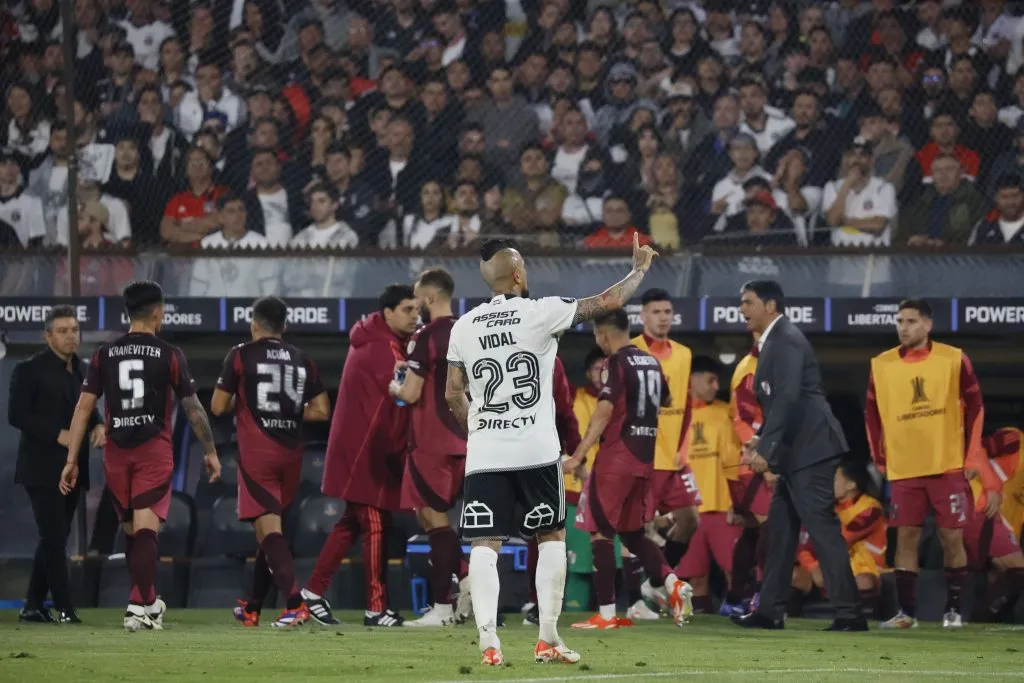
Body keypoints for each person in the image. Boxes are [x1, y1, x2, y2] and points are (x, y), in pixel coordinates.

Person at [444, 234, 657, 666]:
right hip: (536, 452)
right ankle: (547, 639)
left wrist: (479, 431)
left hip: (486, 453)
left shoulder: (463, 326)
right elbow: (606, 301)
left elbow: (453, 393)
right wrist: (639, 270)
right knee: (551, 537)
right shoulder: (540, 312)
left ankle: (488, 643)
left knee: (485, 544)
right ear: (519, 274)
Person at [59, 281, 221, 632]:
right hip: (152, 451)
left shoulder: (104, 354)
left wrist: (72, 458)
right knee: (146, 533)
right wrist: (209, 451)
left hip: (116, 455)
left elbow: (83, 409)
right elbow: (193, 408)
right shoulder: (170, 354)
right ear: (158, 314)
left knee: (134, 534)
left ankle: (148, 602)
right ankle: (137, 606)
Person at [730, 280, 865, 632]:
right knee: (780, 532)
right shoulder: (773, 341)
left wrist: (766, 449)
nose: (742, 309)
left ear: (770, 305)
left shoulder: (785, 339)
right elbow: (780, 404)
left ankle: (850, 614)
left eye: (748, 302)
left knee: (822, 531)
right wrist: (761, 441)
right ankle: (770, 611)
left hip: (812, 449)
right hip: (796, 452)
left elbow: (789, 398)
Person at [867, 298, 1003, 630]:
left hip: (947, 466)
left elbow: (977, 407)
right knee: (906, 539)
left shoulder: (953, 359)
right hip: (904, 469)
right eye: (899, 321)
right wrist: (880, 457)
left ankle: (953, 610)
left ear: (928, 325)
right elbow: (871, 414)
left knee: (951, 539)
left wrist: (971, 456)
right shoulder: (881, 364)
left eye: (911, 321)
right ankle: (906, 614)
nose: (903, 327)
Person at [301, 284, 419, 627]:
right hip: (365, 453)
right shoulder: (384, 350)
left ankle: (313, 592)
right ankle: (376, 607)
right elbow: (401, 404)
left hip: (358, 449)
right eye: (408, 310)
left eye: (417, 310)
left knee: (350, 524)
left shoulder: (379, 340)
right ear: (388, 313)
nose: (415, 316)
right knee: (376, 525)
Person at [569, 310, 693, 630]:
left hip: (616, 459)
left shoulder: (615, 363)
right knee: (633, 533)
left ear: (603, 335)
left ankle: (607, 614)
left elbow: (605, 410)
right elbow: (665, 398)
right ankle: (672, 583)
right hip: (644, 459)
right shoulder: (651, 361)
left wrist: (579, 456)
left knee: (599, 532)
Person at [211, 296, 331, 628]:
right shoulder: (301, 359)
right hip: (292, 454)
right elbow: (322, 410)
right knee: (268, 531)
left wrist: (246, 404)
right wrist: (290, 412)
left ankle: (295, 603)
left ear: (254, 324)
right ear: (285, 327)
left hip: (258, 452)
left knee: (269, 531)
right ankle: (252, 607)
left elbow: (218, 407)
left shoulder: (240, 355)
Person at [8, 305, 104, 624]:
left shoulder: (83, 370)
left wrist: (99, 425)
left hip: (76, 467)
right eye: (63, 331)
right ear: (47, 335)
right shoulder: (28, 370)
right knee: (53, 537)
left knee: (55, 537)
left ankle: (33, 605)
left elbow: (87, 408)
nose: (70, 337)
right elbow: (16, 415)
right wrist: (59, 435)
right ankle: (64, 607)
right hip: (41, 467)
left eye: (75, 330)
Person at [389, 268, 468, 627]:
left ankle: (442, 609)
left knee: (435, 523)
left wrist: (395, 384)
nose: (416, 305)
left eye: (418, 298)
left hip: (432, 441)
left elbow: (411, 393)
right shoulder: (471, 332)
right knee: (428, 516)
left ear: (431, 298)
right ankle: (465, 581)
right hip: (468, 440)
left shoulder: (428, 335)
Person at [631, 289, 700, 569]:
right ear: (643, 315)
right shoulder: (632, 350)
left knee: (689, 520)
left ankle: (659, 584)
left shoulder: (684, 354)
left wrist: (682, 450)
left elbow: (686, 407)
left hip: (673, 460)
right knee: (636, 529)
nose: (663, 318)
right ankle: (634, 596)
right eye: (656, 312)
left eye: (667, 312)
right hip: (643, 457)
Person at [675, 356, 743, 615]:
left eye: (717, 381)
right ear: (692, 380)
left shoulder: (725, 413)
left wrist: (738, 502)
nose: (716, 386)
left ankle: (741, 612)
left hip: (720, 504)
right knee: (695, 576)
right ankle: (698, 622)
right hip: (687, 507)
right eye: (710, 380)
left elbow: (734, 461)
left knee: (733, 569)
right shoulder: (674, 415)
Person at [791, 459, 887, 618]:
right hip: (825, 572)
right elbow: (804, 544)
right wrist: (813, 567)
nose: (827, 484)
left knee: (863, 581)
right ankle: (788, 622)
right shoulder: (826, 507)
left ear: (851, 484)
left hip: (862, 571)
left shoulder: (871, 509)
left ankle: (858, 619)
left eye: (833, 479)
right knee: (794, 576)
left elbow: (838, 539)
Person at [725, 334, 773, 616]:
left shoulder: (767, 365)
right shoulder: (751, 369)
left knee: (753, 531)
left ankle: (734, 597)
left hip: (757, 457)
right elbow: (743, 419)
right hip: (756, 459)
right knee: (769, 526)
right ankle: (760, 595)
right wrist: (762, 455)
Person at [970, 427, 1024, 622]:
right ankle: (976, 623)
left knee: (1002, 583)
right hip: (980, 507)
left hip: (1003, 528)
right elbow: (975, 450)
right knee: (1016, 571)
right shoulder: (1015, 439)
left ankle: (985, 632)